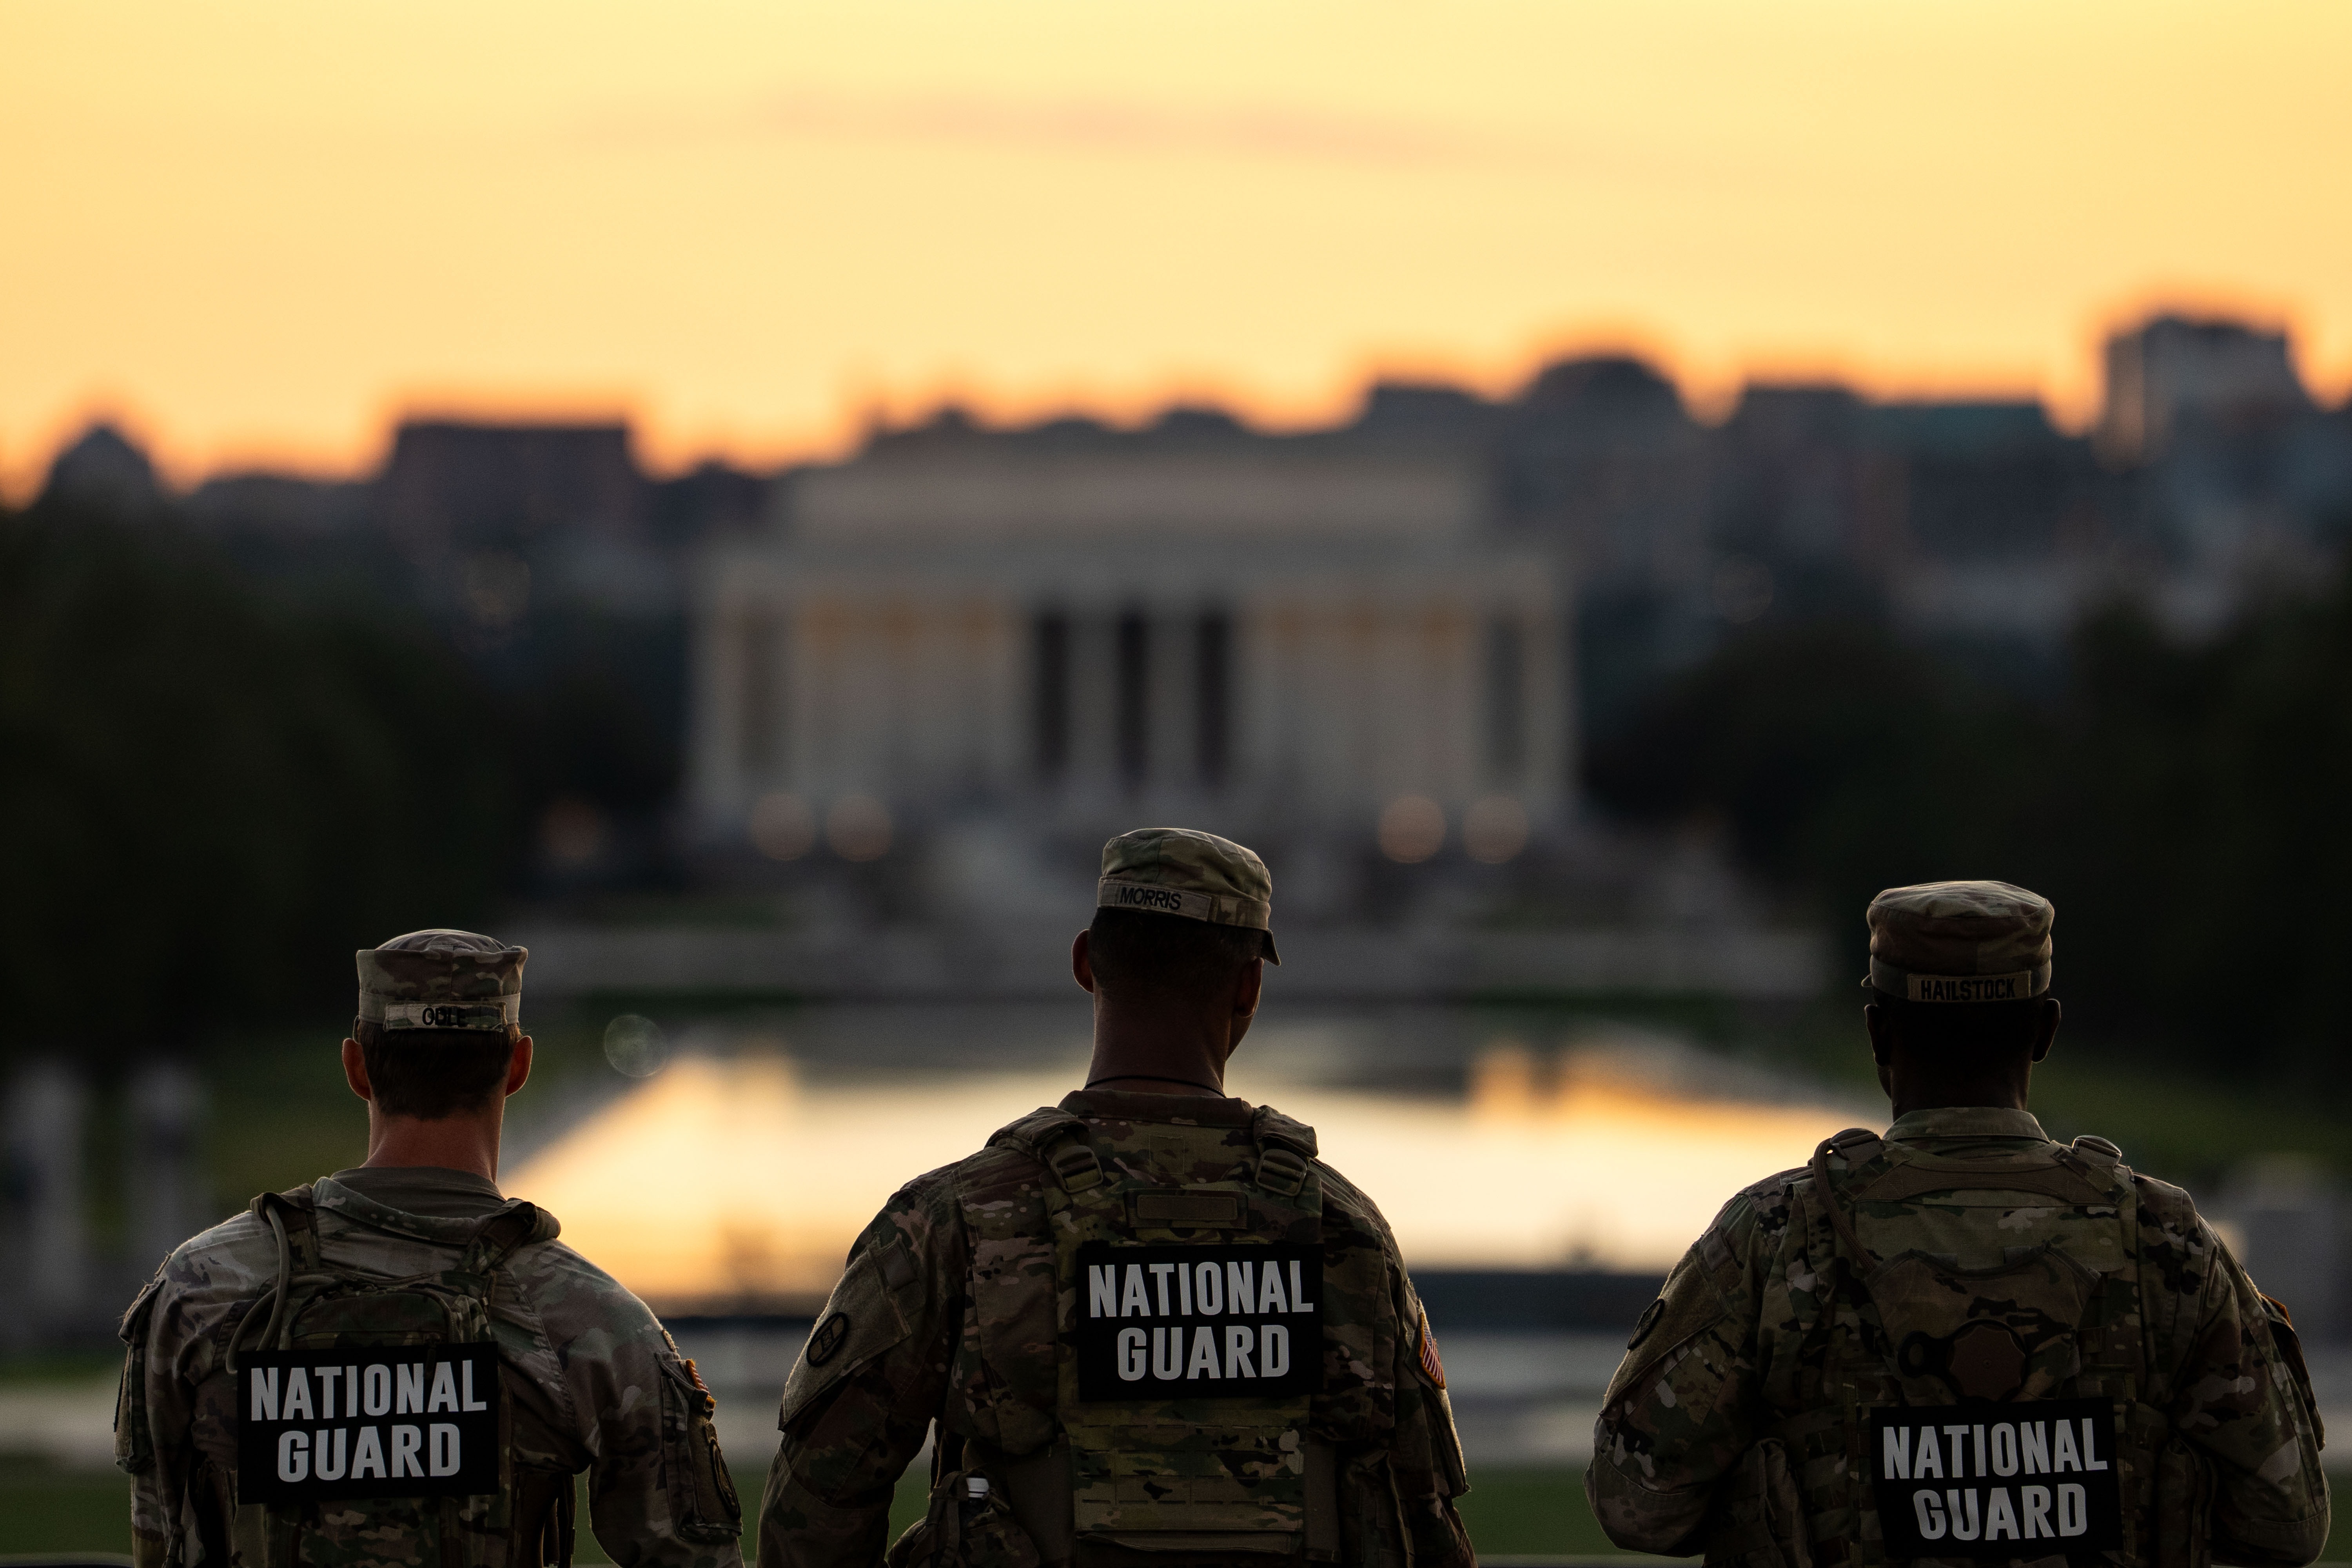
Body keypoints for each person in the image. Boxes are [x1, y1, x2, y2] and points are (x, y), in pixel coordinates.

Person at [757, 828, 1474, 1568]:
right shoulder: (1343, 1230)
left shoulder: (953, 1221)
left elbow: (814, 1509)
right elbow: (1427, 1521)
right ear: (1248, 987)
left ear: (1084, 964)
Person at [1585, 880, 2329, 1568]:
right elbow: (2287, 1520)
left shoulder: (1774, 1236)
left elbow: (1635, 1503)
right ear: (2043, 1031)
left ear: (1878, 1033)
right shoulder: (2165, 1242)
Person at [116, 929, 744, 1568]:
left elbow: (159, 1541)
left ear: (357, 1068)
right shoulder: (590, 1321)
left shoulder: (201, 1288)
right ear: (518, 1066)